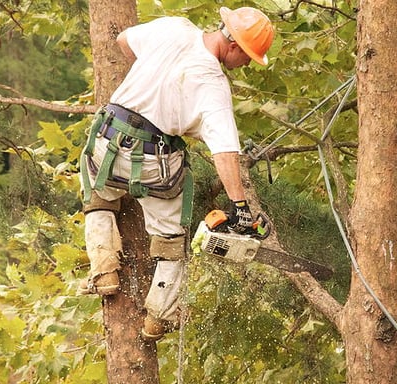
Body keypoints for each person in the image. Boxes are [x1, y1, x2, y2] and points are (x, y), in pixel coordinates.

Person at [77, 6, 275, 341]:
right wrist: (240, 207)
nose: (246, 66)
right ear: (235, 46)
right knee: (170, 239)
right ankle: (159, 315)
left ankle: (104, 270)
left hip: (108, 140)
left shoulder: (175, 27)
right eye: (248, 59)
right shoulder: (213, 84)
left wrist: (154, 83)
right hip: (154, 160)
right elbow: (225, 153)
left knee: (99, 192)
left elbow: (125, 41)